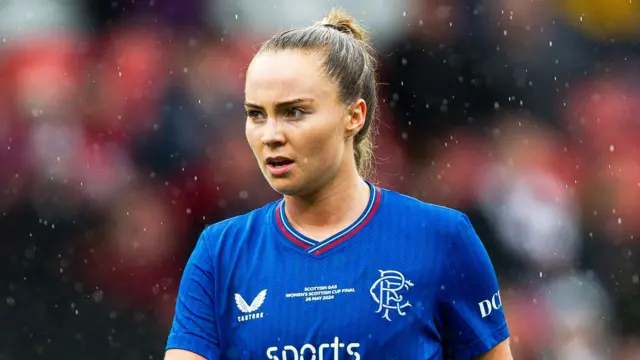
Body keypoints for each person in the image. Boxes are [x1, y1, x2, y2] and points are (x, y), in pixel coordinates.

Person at [165, 8, 512, 360]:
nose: (270, 135)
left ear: (354, 116)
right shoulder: (220, 253)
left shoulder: (441, 237)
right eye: (256, 114)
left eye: (294, 112)